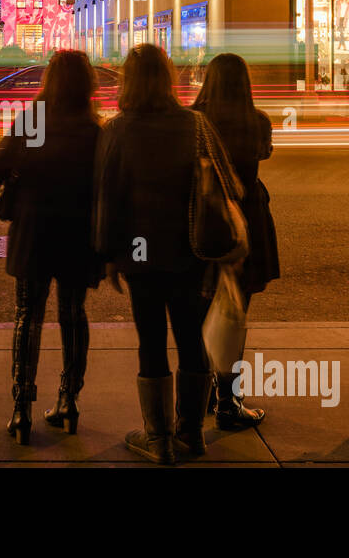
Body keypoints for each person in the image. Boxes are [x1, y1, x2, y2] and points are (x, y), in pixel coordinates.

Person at [94, 43, 229, 464]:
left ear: (128, 82)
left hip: (141, 254)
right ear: (168, 77)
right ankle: (192, 433)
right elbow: (225, 185)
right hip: (192, 249)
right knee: (192, 338)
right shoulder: (196, 124)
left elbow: (107, 198)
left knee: (150, 340)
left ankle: (159, 439)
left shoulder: (117, 130)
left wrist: (109, 255)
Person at [0, 50, 102, 445]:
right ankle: (69, 399)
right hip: (77, 233)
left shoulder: (35, 119)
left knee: (27, 315)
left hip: (35, 229)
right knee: (73, 314)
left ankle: (22, 407)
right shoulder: (92, 127)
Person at [190, 53, 277, 429]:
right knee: (235, 311)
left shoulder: (195, 120)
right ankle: (229, 398)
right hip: (247, 219)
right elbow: (264, 153)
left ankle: (203, 391)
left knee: (199, 310)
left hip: (204, 220)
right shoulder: (256, 121)